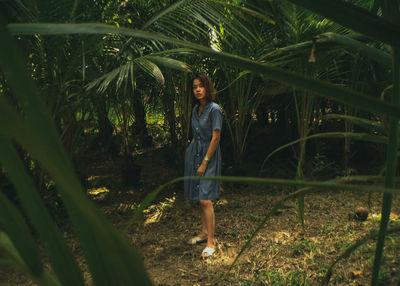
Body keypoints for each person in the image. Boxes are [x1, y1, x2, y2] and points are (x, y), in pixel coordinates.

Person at [184, 73, 222, 259]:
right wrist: (191, 154)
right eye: (194, 87)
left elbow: (216, 138)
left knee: (206, 199)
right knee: (199, 196)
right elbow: (195, 134)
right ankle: (203, 232)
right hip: (195, 153)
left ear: (207, 88)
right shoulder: (195, 110)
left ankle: (211, 243)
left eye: (201, 86)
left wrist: (205, 161)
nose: (198, 90)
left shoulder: (215, 109)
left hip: (210, 156)